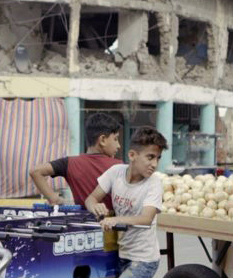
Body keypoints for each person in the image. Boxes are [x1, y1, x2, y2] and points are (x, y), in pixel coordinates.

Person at [84, 126, 168, 278]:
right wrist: (95, 207)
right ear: (132, 155)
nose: (155, 164)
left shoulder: (154, 183)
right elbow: (90, 199)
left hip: (144, 259)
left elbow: (146, 219)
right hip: (122, 254)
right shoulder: (115, 172)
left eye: (158, 158)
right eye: (150, 157)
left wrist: (115, 219)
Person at [29, 113, 122, 208]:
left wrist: (54, 199)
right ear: (102, 140)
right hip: (109, 221)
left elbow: (35, 171)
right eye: (115, 139)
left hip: (78, 221)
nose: (119, 145)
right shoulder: (119, 167)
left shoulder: (70, 163)